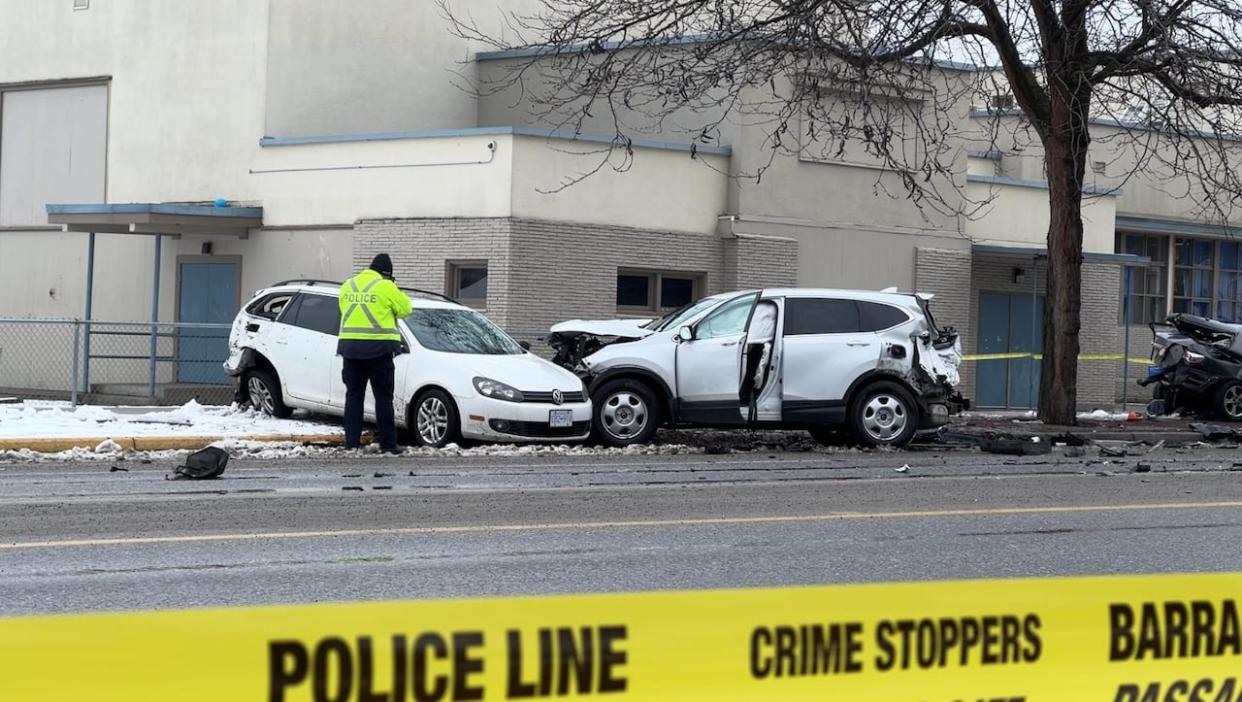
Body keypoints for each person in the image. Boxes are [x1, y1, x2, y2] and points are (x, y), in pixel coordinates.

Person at [338, 253, 413, 452]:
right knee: (383, 397)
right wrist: (393, 286)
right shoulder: (386, 286)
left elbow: (343, 309)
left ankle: (351, 443)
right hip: (379, 351)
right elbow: (406, 309)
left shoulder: (348, 285)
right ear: (387, 273)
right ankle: (388, 445)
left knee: (353, 396)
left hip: (350, 349)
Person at [741, 300, 778, 422]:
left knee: (751, 372)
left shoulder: (762, 305)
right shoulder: (766, 306)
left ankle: (746, 397)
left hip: (757, 344)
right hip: (757, 343)